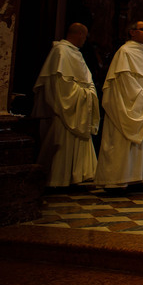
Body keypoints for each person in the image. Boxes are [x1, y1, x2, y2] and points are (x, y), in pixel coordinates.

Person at [94, 21, 143, 190]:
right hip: (128, 103)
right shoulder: (124, 52)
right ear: (132, 32)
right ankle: (118, 181)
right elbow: (124, 81)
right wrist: (142, 98)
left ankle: (140, 178)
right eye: (142, 29)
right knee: (122, 141)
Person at [32, 22, 100, 187]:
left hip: (80, 106)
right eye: (84, 36)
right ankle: (58, 178)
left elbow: (87, 80)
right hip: (66, 109)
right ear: (79, 34)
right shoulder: (61, 51)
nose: (85, 40)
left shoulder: (75, 53)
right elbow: (60, 86)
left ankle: (77, 176)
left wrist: (89, 93)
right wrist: (83, 94)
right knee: (62, 143)